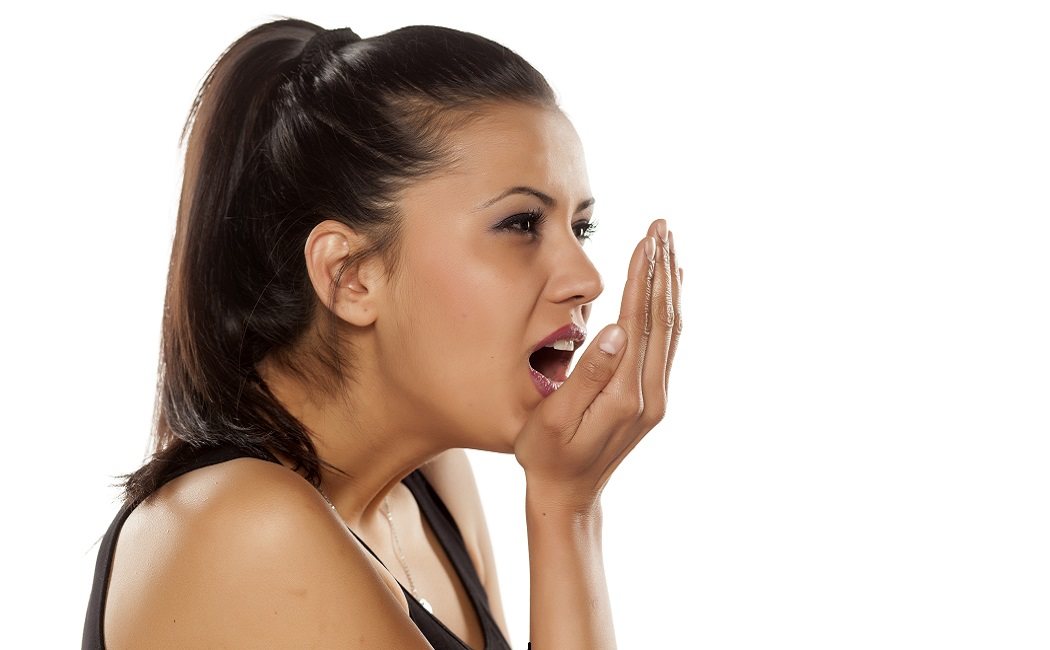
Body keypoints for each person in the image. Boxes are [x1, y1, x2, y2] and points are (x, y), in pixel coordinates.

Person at [83, 17, 682, 650]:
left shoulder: (434, 484)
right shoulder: (245, 528)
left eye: (580, 229)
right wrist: (567, 508)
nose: (587, 279)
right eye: (521, 223)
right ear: (351, 276)